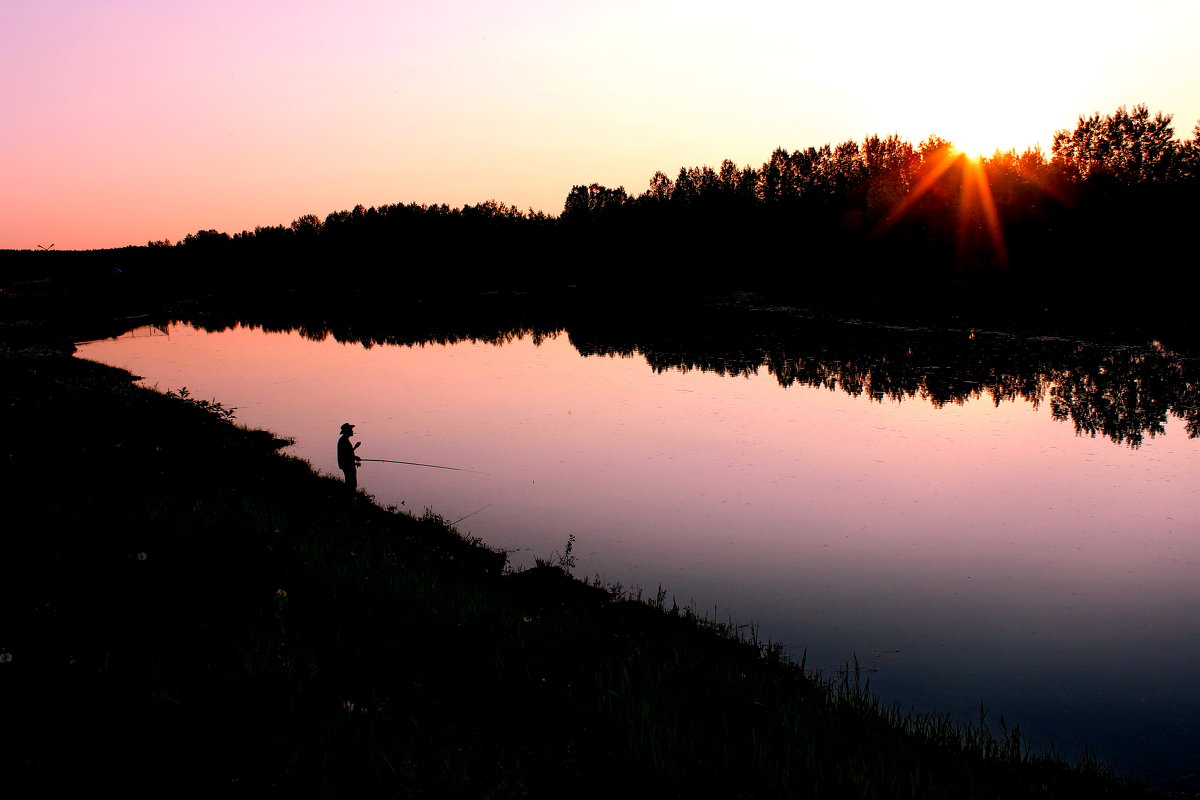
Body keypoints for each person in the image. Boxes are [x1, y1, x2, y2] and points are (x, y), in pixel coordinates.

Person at [337, 422, 362, 500]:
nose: (352, 431)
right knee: (351, 483)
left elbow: (348, 453)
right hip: (347, 465)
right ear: (347, 431)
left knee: (350, 482)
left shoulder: (344, 440)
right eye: (350, 429)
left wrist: (355, 453)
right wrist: (355, 456)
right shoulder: (344, 441)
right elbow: (347, 454)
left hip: (346, 464)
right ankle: (349, 499)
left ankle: (349, 498)